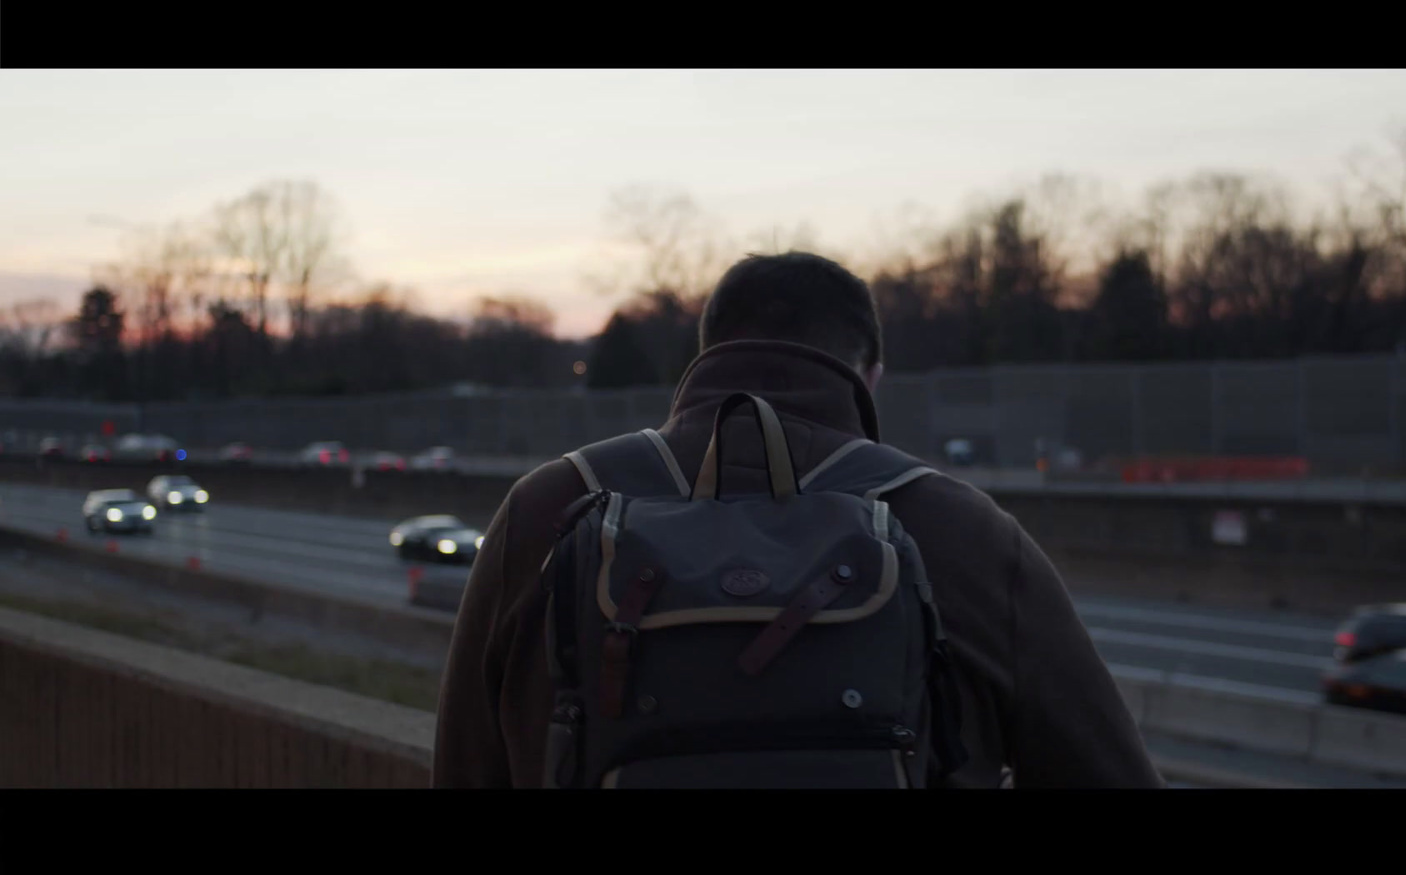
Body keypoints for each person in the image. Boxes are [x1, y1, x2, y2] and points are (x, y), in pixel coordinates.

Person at [432, 251, 1164, 788]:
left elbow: (466, 766)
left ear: (708, 354)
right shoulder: (963, 531)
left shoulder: (548, 507)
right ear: (869, 372)